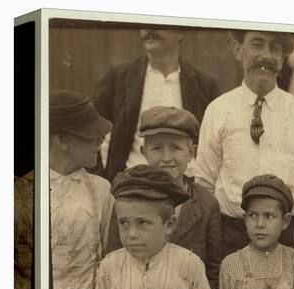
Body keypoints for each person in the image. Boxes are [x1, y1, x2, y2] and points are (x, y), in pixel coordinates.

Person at [195, 30, 294, 257]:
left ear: (283, 58)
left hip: (289, 236)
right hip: (232, 237)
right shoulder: (219, 110)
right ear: (238, 50)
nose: (266, 55)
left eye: (275, 48)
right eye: (257, 44)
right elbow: (204, 183)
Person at [19, 89, 114, 289]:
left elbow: (103, 252)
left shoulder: (101, 189)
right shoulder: (23, 190)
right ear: (61, 140)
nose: (99, 142)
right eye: (90, 137)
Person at [105, 106, 222, 289]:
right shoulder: (126, 199)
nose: (167, 158)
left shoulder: (206, 204)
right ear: (144, 152)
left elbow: (213, 270)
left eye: (176, 148)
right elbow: (113, 259)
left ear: (192, 152)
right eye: (157, 148)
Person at [93, 26, 221, 181]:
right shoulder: (119, 77)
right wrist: (100, 180)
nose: (149, 30)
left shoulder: (205, 84)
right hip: (131, 187)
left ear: (180, 31)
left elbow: (214, 144)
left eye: (159, 22)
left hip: (187, 188)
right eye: (145, 22)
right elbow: (91, 130)